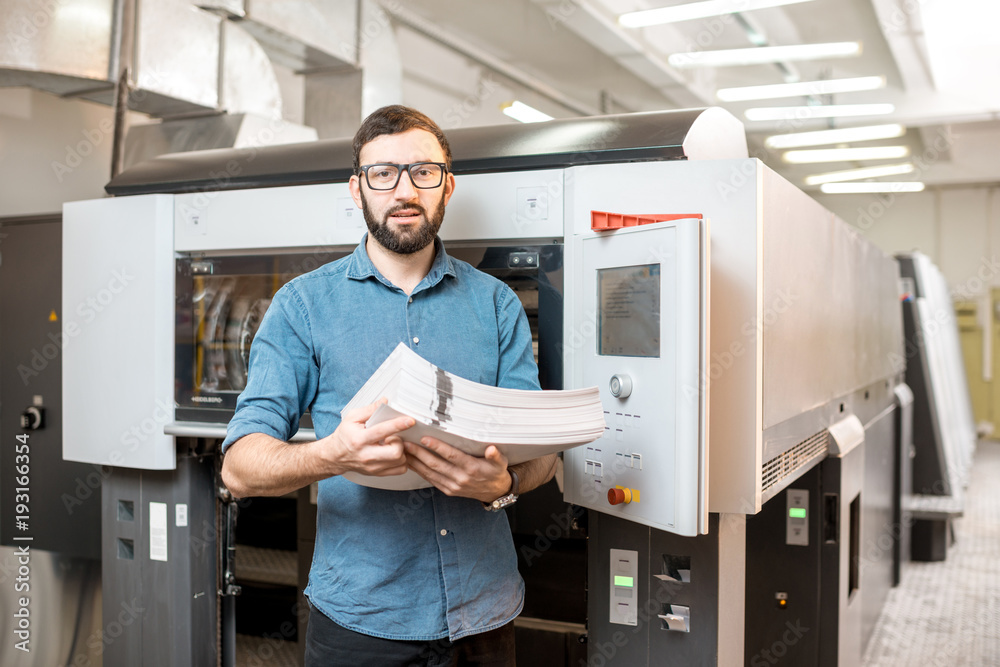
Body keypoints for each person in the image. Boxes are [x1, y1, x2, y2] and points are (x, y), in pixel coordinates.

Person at [220, 104, 557, 666]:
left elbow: (542, 453)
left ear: (447, 185)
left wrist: (503, 482)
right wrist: (331, 454)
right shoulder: (303, 305)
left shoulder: (496, 304)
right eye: (383, 173)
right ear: (358, 189)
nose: (404, 189)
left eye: (423, 172)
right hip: (360, 623)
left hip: (484, 615)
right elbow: (239, 466)